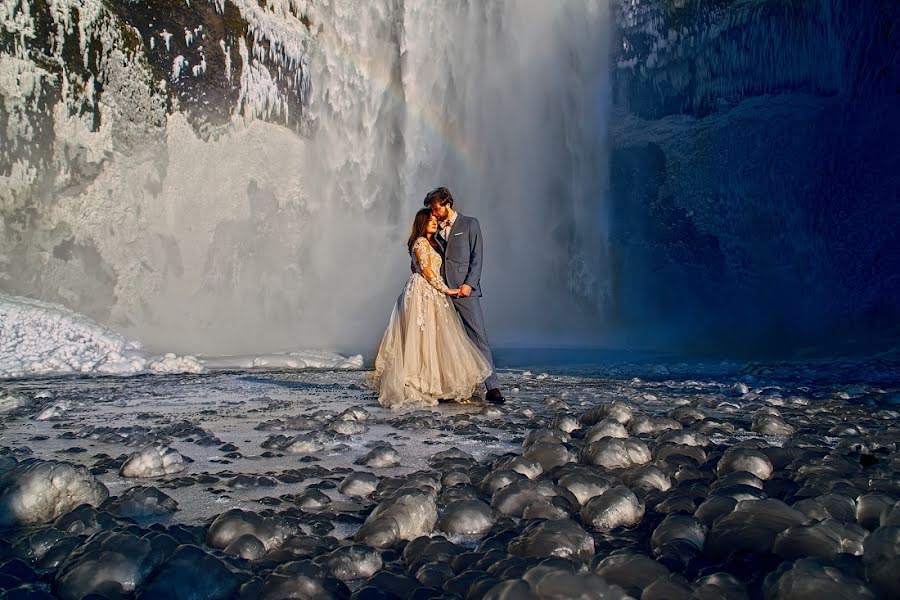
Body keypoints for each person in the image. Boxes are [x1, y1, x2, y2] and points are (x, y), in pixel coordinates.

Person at [371, 209, 492, 410]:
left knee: (433, 339)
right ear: (421, 222)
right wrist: (448, 290)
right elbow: (427, 272)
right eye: (430, 219)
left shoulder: (432, 243)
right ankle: (420, 383)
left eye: (436, 219)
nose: (434, 221)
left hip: (430, 293)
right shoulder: (419, 243)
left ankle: (434, 383)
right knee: (421, 339)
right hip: (423, 292)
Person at [425, 187, 504, 404]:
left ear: (447, 203)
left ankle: (493, 387)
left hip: (464, 291)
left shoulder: (470, 224)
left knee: (478, 337)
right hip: (441, 291)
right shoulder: (433, 229)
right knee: (444, 340)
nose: (433, 213)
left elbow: (477, 257)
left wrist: (470, 284)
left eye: (435, 208)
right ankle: (449, 386)